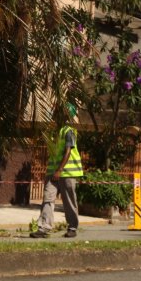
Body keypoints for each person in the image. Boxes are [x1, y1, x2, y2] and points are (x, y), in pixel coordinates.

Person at [31, 101, 84, 238]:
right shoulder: (54, 132)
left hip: (66, 172)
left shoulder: (69, 131)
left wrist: (59, 170)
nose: (55, 114)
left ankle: (72, 227)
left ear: (67, 116)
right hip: (53, 172)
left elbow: (67, 152)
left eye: (59, 112)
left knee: (69, 201)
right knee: (47, 198)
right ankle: (43, 228)